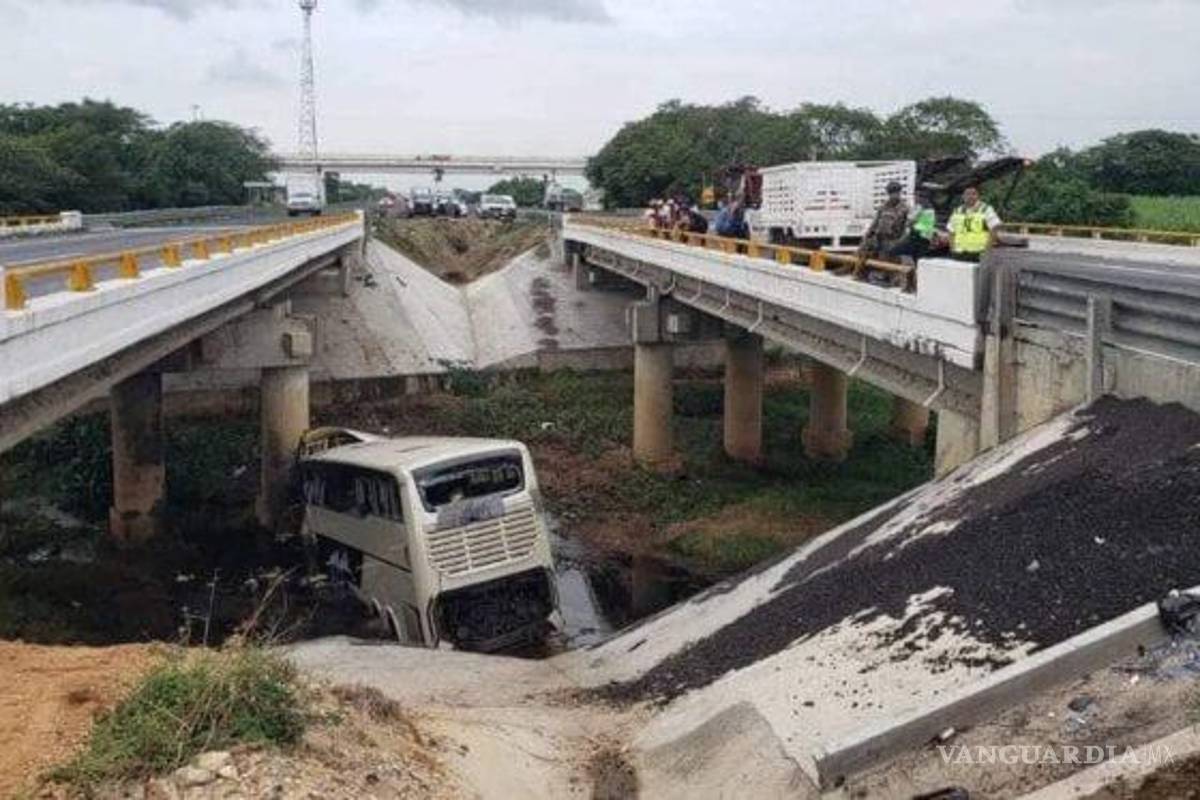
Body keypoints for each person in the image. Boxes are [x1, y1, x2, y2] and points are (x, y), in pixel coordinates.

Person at [947, 186, 1002, 262]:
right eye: (967, 194)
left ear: (978, 196)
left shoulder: (985, 209)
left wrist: (987, 249)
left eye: (973, 194)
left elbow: (995, 227)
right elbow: (951, 231)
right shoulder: (957, 211)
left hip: (978, 253)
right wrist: (952, 248)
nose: (970, 196)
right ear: (963, 196)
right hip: (959, 253)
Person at [861, 181, 911, 259]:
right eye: (891, 193)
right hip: (880, 239)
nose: (894, 195)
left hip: (894, 240)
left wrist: (900, 242)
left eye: (896, 193)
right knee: (866, 252)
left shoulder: (905, 208)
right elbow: (875, 222)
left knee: (890, 261)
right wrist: (868, 235)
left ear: (899, 193)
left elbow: (907, 227)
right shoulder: (883, 207)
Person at [883, 189, 936, 262]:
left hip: (916, 237)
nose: (915, 198)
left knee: (893, 251)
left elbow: (910, 221)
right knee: (917, 260)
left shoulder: (919, 207)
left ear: (920, 197)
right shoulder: (931, 208)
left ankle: (895, 271)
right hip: (926, 239)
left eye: (915, 196)